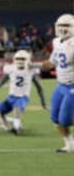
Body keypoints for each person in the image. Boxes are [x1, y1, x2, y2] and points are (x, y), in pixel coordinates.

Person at [0, 50, 47, 134]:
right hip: (11, 98)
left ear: (27, 59)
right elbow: (0, 82)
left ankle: (16, 126)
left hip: (22, 97)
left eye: (22, 59)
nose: (20, 61)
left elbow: (39, 87)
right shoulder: (11, 68)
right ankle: (12, 122)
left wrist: (43, 102)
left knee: (17, 114)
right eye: (19, 58)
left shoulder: (32, 70)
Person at [41, 13, 74, 153]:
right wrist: (43, 65)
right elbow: (53, 62)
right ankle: (70, 145)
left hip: (72, 85)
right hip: (61, 85)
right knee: (55, 117)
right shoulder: (56, 42)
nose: (63, 28)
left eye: (66, 25)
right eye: (61, 25)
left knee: (65, 120)